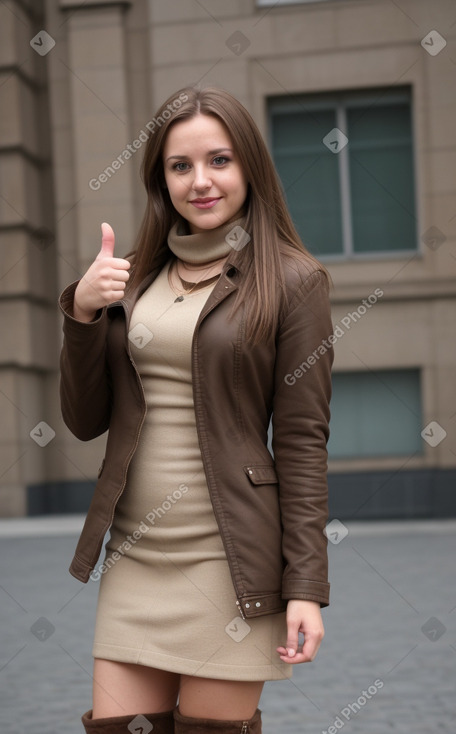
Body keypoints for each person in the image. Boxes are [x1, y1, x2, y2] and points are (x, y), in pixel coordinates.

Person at [58, 85, 334, 734]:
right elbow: (83, 419)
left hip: (228, 562)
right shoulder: (133, 279)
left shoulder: (295, 282)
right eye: (180, 166)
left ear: (250, 169)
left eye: (219, 160)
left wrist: (306, 589)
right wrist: (83, 313)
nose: (199, 181)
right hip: (134, 558)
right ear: (161, 179)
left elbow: (300, 443)